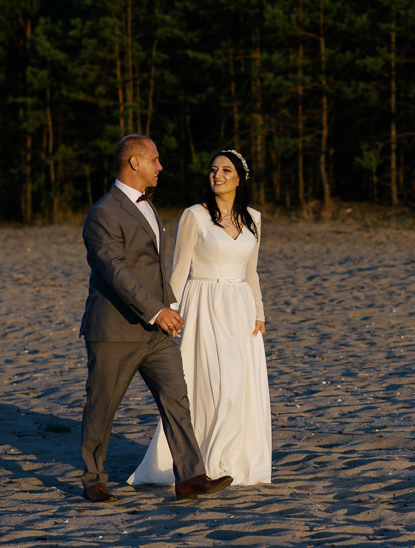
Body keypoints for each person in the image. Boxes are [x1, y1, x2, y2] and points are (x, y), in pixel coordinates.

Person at [79, 134, 233, 503]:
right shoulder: (102, 213)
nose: (160, 167)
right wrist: (157, 309)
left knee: (177, 399)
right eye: (155, 160)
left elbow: (153, 268)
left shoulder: (150, 206)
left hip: (157, 332)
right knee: (103, 405)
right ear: (134, 163)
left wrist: (168, 307)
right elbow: (116, 272)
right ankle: (93, 480)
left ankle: (190, 476)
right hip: (115, 330)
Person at [128, 149, 272, 487]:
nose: (217, 176)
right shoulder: (194, 215)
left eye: (225, 170)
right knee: (211, 385)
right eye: (213, 170)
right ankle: (205, 462)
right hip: (204, 305)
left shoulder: (254, 217)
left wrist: (259, 311)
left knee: (238, 385)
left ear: (240, 178)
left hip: (240, 309)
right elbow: (178, 270)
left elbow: (251, 271)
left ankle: (231, 460)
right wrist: (169, 312)